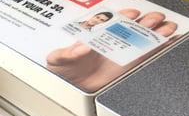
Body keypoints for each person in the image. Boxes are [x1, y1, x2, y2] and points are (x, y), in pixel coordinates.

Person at [47, 9, 179, 93]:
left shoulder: (92, 34)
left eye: (101, 20)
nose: (96, 20)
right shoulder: (78, 33)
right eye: (98, 17)